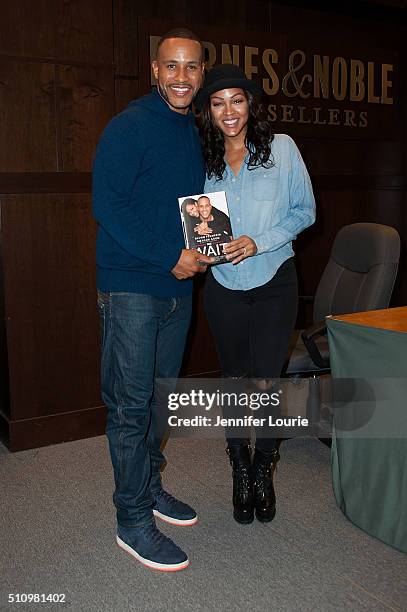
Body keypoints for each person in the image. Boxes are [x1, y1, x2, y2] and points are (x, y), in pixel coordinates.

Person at [92, 29, 212, 572]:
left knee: (161, 402)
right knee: (130, 404)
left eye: (191, 67)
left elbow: (193, 207)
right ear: (154, 72)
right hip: (132, 288)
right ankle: (132, 518)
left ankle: (151, 486)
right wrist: (171, 255)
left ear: (201, 73)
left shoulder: (194, 132)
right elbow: (109, 207)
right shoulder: (130, 125)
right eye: (172, 66)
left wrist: (205, 248)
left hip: (176, 287)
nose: (182, 76)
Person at [196, 64, 316, 525]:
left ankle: (263, 467)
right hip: (223, 285)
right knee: (233, 379)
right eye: (218, 102)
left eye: (237, 100)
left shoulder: (281, 149)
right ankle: (238, 468)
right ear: (209, 110)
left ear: (250, 104)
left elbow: (305, 212)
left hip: (274, 281)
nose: (229, 111)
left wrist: (258, 241)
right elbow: (194, 219)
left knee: (267, 382)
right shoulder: (201, 158)